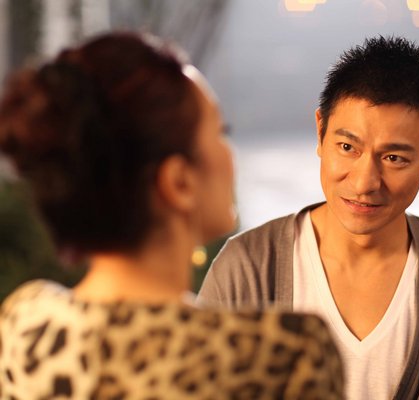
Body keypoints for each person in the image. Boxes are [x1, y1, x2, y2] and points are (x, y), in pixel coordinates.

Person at [0, 32, 344, 399]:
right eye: (220, 133)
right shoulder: (282, 354)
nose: (229, 154)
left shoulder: (25, 324)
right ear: (179, 182)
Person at [199, 36, 419, 399]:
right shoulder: (246, 269)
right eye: (347, 147)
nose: (365, 183)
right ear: (320, 132)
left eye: (394, 158)